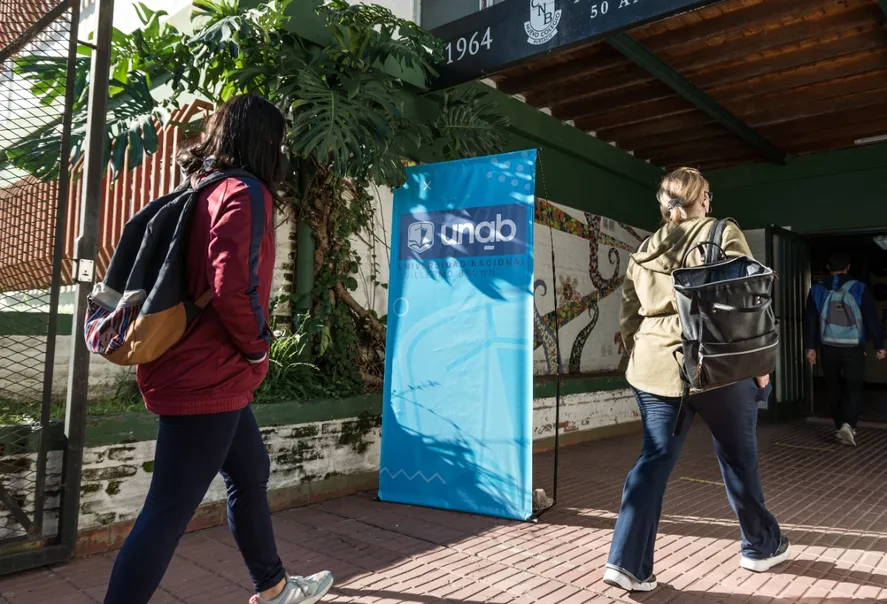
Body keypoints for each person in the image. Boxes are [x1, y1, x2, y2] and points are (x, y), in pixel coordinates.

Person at [103, 94, 334, 604]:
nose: (281, 152)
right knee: (168, 509)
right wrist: (257, 350)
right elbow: (233, 287)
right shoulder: (245, 191)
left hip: (194, 365)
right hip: (209, 373)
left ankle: (273, 588)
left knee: (250, 471)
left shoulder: (201, 187)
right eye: (278, 141)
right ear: (263, 141)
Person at [603, 167, 788, 593]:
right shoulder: (720, 232)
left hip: (654, 367)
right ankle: (760, 546)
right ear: (702, 199)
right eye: (708, 196)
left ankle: (627, 563)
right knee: (738, 458)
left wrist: (643, 354)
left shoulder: (645, 248)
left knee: (654, 459)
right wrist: (760, 364)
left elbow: (628, 317)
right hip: (717, 365)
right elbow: (747, 300)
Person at [804, 252, 886, 447]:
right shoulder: (859, 288)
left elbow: (810, 322)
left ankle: (839, 426)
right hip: (853, 347)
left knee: (833, 387)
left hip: (828, 346)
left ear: (828, 268)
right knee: (854, 387)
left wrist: (811, 348)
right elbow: (871, 319)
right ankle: (849, 425)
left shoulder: (817, 289)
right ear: (848, 267)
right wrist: (879, 345)